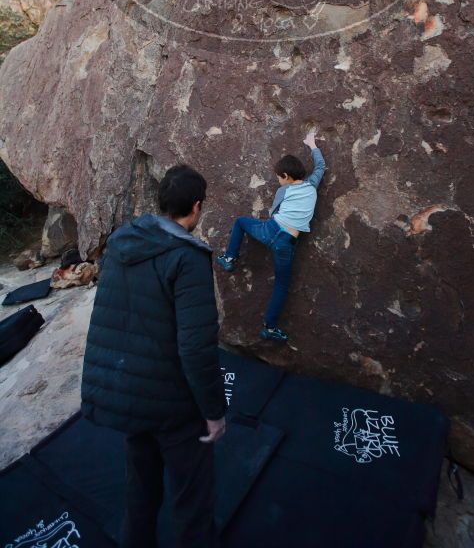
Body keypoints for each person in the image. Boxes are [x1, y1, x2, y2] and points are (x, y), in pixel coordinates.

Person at [81, 165, 226, 548]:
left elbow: (114, 317)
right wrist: (213, 412)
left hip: (128, 393)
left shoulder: (122, 243)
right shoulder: (188, 257)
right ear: (196, 207)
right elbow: (196, 347)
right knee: (193, 503)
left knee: (140, 494)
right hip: (174, 405)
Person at [216, 130, 326, 343]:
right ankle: (270, 327)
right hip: (287, 243)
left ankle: (230, 259)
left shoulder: (283, 192)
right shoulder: (312, 184)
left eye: (278, 177)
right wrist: (312, 144)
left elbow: (274, 213)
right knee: (282, 285)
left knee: (240, 222)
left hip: (271, 230)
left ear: (286, 176)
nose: (277, 180)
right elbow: (320, 166)